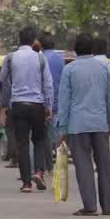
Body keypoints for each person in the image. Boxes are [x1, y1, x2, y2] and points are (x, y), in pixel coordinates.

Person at [59, 34, 110, 216]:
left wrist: (62, 127)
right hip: (100, 122)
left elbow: (64, 100)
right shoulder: (103, 68)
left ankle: (90, 206)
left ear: (76, 48)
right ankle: (108, 206)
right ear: (92, 48)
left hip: (77, 124)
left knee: (83, 165)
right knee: (104, 164)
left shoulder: (69, 69)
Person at [0, 27, 55, 193]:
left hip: (18, 104)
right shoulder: (40, 58)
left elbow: (2, 78)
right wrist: (49, 105)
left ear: (19, 40)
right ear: (33, 42)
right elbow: (48, 84)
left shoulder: (11, 57)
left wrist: (12, 73)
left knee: (22, 143)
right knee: (38, 140)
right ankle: (39, 171)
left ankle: (26, 183)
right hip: (37, 105)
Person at [40, 31, 66, 162]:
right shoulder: (60, 59)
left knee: (44, 134)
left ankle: (47, 162)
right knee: (57, 132)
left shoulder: (40, 58)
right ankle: (59, 157)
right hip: (59, 101)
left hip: (44, 102)